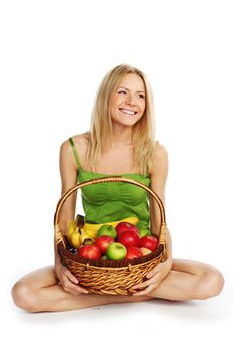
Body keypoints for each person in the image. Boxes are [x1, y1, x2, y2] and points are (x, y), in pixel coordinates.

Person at [11, 64, 224, 313]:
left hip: (141, 254)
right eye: (123, 92)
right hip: (91, 256)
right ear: (106, 96)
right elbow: (64, 218)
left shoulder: (155, 154)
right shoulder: (74, 149)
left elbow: (159, 222)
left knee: (212, 280)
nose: (132, 101)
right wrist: (60, 265)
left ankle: (109, 291)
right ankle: (134, 294)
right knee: (23, 294)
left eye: (140, 95)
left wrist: (165, 264)